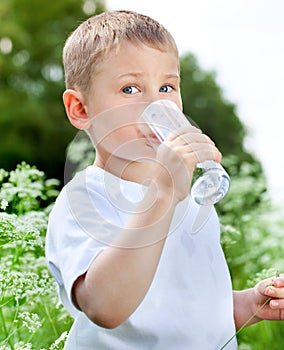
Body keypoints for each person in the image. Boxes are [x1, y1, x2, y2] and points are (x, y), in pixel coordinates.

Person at [45, 10, 284, 349]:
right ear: (81, 109)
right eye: (130, 88)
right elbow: (105, 307)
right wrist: (162, 194)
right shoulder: (84, 199)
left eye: (167, 87)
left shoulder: (188, 197)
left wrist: (248, 305)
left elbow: (181, 309)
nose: (156, 104)